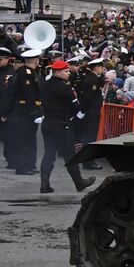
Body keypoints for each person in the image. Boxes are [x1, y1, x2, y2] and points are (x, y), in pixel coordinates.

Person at [38, 59, 93, 194]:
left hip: (48, 123)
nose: (69, 73)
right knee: (69, 154)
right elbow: (75, 107)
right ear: (57, 72)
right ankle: (79, 182)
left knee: (49, 154)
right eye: (66, 71)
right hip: (62, 125)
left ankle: (44, 184)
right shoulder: (65, 87)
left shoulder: (45, 84)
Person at [8, 49, 43, 175]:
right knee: (23, 139)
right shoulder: (25, 73)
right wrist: (34, 113)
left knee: (30, 139)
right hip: (24, 111)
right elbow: (28, 94)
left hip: (29, 111)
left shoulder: (32, 73)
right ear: (35, 60)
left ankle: (30, 164)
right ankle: (22, 166)